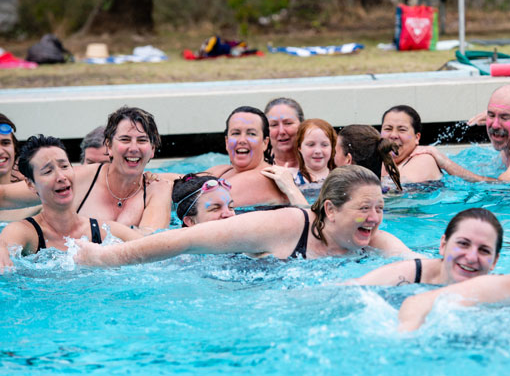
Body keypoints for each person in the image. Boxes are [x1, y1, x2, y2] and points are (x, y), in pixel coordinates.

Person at [74, 165, 416, 266]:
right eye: (364, 209)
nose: (374, 218)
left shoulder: (373, 241)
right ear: (330, 209)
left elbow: (414, 263)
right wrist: (108, 259)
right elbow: (184, 240)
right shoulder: (285, 224)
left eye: (380, 209)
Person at [0, 106, 172, 231]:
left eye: (142, 140)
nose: (133, 148)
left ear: (152, 150)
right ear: (109, 146)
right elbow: (5, 197)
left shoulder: (158, 188)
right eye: (125, 139)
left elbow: (150, 248)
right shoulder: (77, 179)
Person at [1, 136, 140, 271]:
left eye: (64, 166)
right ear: (31, 185)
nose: (61, 177)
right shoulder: (26, 233)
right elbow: (5, 248)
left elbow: (153, 251)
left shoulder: (105, 231)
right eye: (48, 171)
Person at [352, 208, 502, 286]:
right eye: (463, 244)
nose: (471, 257)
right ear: (443, 245)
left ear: (495, 261)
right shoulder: (409, 275)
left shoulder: (502, 293)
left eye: (484, 250)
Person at [204, 106, 292, 207]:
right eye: (236, 133)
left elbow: (200, 203)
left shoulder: (262, 178)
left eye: (251, 134)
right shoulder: (223, 170)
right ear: (227, 142)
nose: (242, 140)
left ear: (265, 143)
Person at [380, 105, 442, 183]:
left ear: (417, 137)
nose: (393, 135)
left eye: (402, 130)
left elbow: (396, 190)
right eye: (388, 129)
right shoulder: (378, 159)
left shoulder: (424, 159)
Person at [335, 125, 403, 191]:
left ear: (348, 160)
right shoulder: (389, 188)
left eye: (336, 152)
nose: (333, 156)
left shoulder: (338, 195)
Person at [293, 118, 336, 185]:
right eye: (311, 145)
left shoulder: (341, 180)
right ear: (299, 147)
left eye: (324, 145)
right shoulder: (292, 179)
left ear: (332, 147)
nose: (318, 151)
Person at [265, 97, 304, 168]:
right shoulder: (257, 167)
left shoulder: (318, 164)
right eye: (274, 125)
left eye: (288, 123)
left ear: (302, 124)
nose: (281, 131)